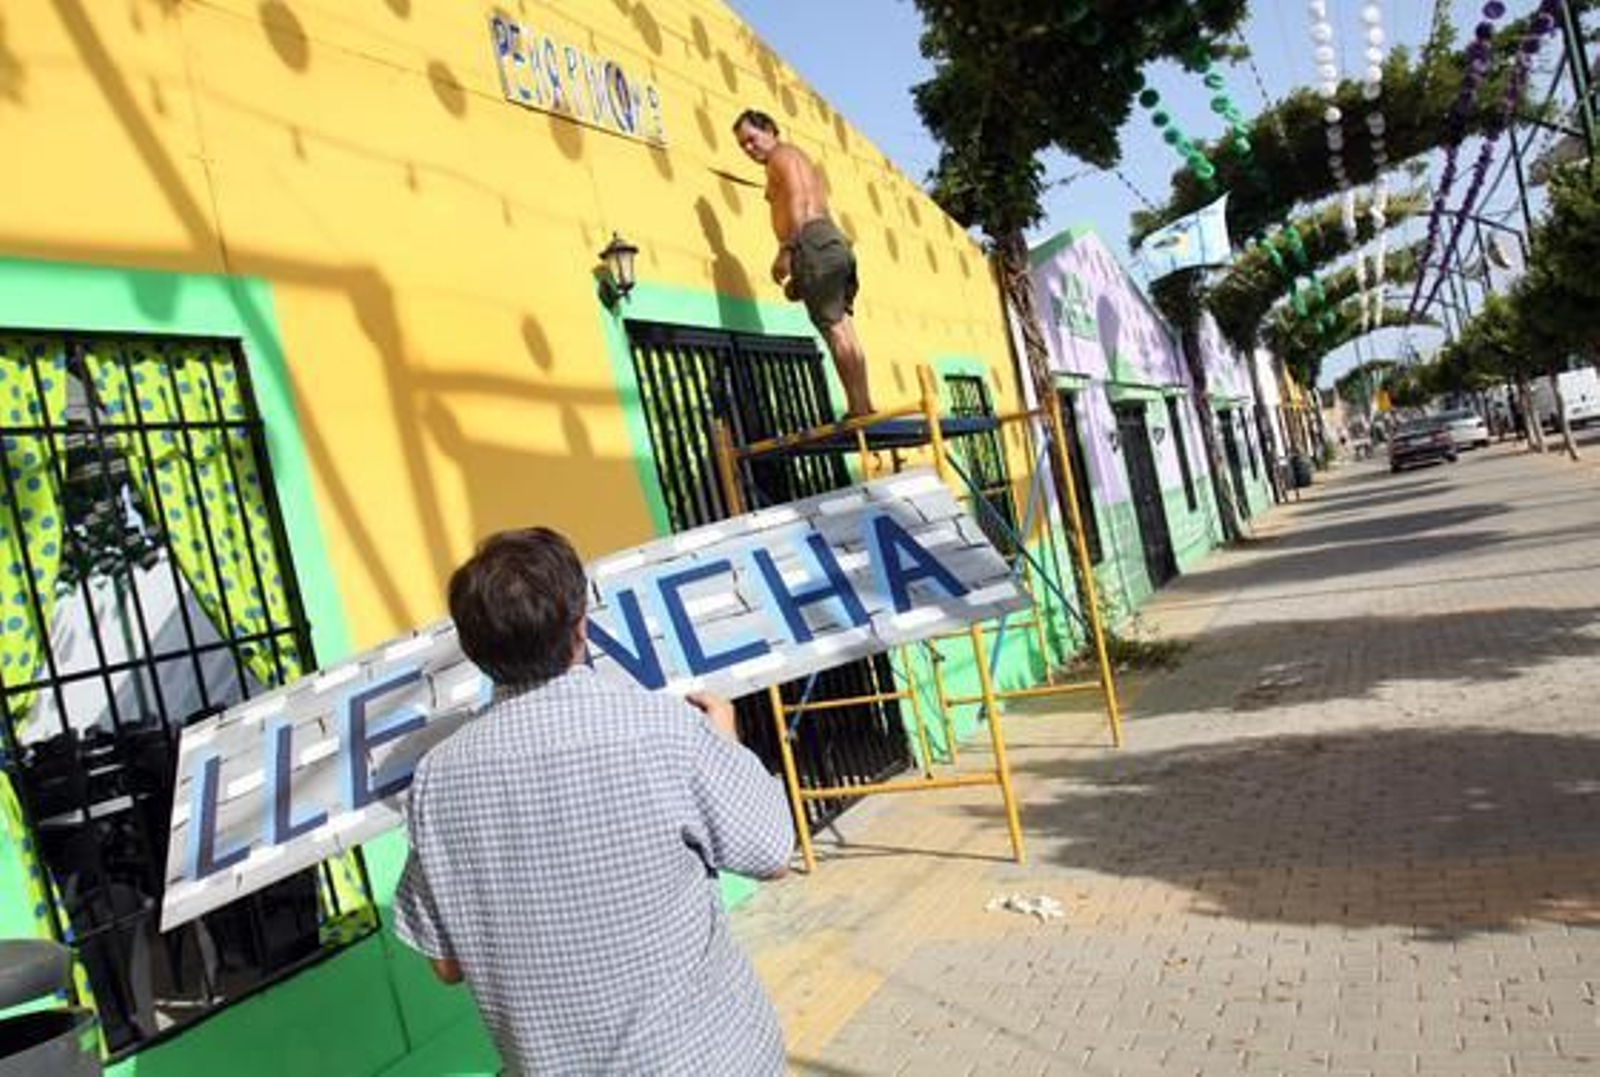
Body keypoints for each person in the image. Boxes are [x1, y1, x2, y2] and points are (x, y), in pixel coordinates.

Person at [392, 527, 795, 1076]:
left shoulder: (435, 781)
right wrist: (725, 742)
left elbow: (446, 965)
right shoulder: (662, 728)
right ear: (581, 624)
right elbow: (771, 854)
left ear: (472, 650)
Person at [732, 108, 876, 417]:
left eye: (752, 139)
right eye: (742, 145)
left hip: (811, 242)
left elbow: (799, 197)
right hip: (824, 241)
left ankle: (859, 408)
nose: (749, 148)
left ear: (770, 129)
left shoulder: (782, 156)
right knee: (844, 328)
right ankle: (863, 403)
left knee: (834, 329)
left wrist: (788, 249)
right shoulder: (793, 157)